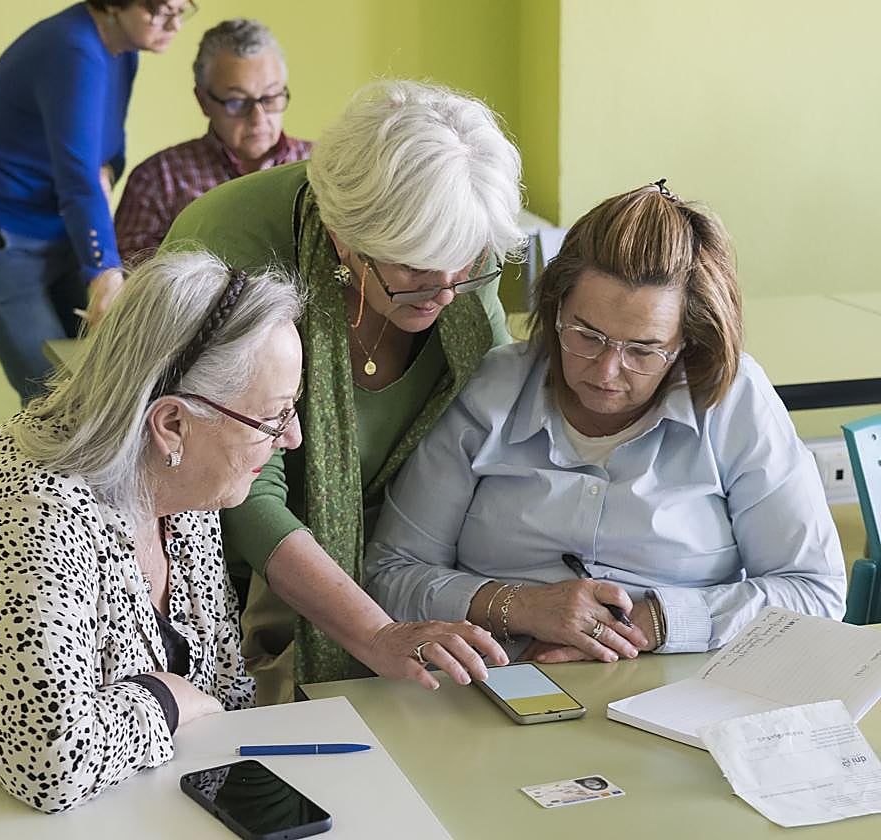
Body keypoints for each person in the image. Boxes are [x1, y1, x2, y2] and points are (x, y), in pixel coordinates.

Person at [0, 251, 302, 812]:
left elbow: (223, 687)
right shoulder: (27, 514)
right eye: (272, 416)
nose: (291, 437)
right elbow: (49, 763)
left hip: (112, 805)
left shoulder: (182, 484)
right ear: (172, 423)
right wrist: (163, 701)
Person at [365, 182, 847, 663]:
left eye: (642, 350)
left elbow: (816, 593)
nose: (606, 372)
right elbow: (389, 574)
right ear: (555, 309)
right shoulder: (491, 389)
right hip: (497, 678)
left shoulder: (732, 398)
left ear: (688, 341)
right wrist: (520, 607)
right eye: (586, 335)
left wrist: (649, 623)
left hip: (677, 687)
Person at [163, 79, 524, 703]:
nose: (443, 294)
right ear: (345, 239)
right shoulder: (232, 248)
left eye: (463, 264)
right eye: (411, 267)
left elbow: (490, 433)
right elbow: (243, 484)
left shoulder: (455, 256)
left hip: (394, 568)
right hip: (223, 576)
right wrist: (375, 632)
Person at [0, 0, 196, 403]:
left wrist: (106, 173)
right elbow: (78, 180)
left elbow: (103, 155)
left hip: (60, 230)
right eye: (161, 10)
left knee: (105, 380)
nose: (175, 24)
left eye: (184, 9)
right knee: (54, 398)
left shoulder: (123, 50)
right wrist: (105, 272)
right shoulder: (72, 51)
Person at [114, 18, 312, 263]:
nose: (258, 117)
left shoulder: (320, 167)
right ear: (203, 101)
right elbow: (136, 285)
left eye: (270, 97)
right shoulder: (159, 179)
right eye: (237, 102)